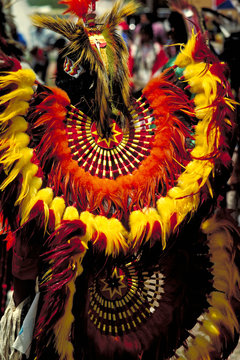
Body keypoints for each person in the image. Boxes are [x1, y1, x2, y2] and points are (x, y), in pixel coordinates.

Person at [0, 1, 240, 360]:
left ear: (65, 80)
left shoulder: (41, 143)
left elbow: (25, 261)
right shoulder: (160, 131)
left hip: (70, 327)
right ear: (120, 76)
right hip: (146, 320)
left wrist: (21, 309)